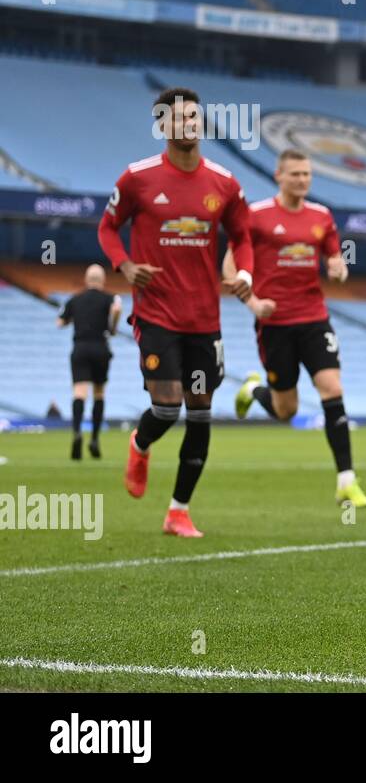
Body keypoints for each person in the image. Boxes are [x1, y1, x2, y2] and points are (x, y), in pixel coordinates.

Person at [97, 86, 254, 538]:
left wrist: (243, 272)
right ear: (162, 126)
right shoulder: (137, 179)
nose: (187, 123)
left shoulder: (224, 183)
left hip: (205, 319)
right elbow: (108, 228)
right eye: (177, 118)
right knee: (166, 409)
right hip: (157, 313)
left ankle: (178, 511)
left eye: (193, 116)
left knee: (201, 414)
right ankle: (140, 443)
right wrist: (125, 265)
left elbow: (242, 235)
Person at [228, 149, 366, 508]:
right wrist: (253, 304)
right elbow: (230, 265)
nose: (302, 180)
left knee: (331, 388)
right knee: (286, 411)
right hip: (274, 323)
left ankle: (346, 482)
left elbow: (334, 255)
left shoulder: (321, 216)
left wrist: (339, 267)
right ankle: (254, 390)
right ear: (278, 175)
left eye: (307, 174)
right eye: (295, 174)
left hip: (313, 317)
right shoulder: (256, 216)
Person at [57, 264, 121, 459]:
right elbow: (117, 309)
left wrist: (71, 320)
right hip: (100, 347)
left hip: (80, 348)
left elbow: (59, 323)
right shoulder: (110, 297)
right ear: (102, 281)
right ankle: (94, 438)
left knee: (79, 392)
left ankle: (77, 432)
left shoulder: (75, 299)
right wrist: (112, 328)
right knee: (99, 393)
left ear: (86, 280)